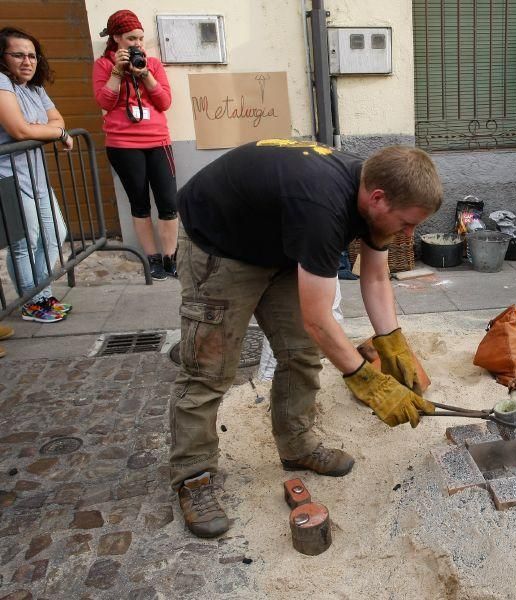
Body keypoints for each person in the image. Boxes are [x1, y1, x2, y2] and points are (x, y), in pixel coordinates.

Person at [169, 140, 442, 538]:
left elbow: (377, 275)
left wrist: (393, 343)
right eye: (407, 223)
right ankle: (193, 476)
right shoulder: (322, 207)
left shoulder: (374, 193)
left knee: (301, 353)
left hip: (276, 245)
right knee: (208, 371)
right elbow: (318, 319)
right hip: (219, 246)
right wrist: (368, 382)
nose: (409, 233)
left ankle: (296, 445)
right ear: (378, 198)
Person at [92, 10, 176, 281]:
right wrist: (117, 72)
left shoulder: (152, 63)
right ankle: (151, 258)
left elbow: (164, 103)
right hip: (123, 144)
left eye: (140, 38)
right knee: (139, 204)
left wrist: (145, 75)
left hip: (158, 141)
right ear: (116, 38)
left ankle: (170, 258)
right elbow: (104, 102)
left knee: (168, 203)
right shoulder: (104, 65)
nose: (137, 44)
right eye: (131, 38)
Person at [0, 27, 72, 323]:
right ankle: (32, 302)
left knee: (57, 234)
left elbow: (57, 118)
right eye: (18, 54)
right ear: (3, 57)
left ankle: (40, 294)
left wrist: (46, 129)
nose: (27, 61)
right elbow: (19, 130)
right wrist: (56, 133)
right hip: (9, 177)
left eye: (32, 55)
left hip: (35, 176)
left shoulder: (34, 88)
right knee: (25, 242)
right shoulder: (2, 82)